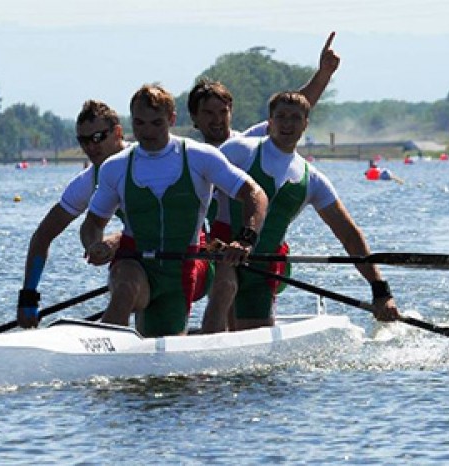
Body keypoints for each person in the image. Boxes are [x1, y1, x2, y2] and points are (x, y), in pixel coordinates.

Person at [80, 84, 269, 337]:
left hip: (182, 269)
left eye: (156, 123)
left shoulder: (200, 157)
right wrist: (94, 245)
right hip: (135, 262)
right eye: (139, 123)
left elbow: (255, 194)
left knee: (166, 359)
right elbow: (92, 223)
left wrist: (246, 239)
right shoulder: (115, 167)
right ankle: (102, 355)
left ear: (171, 119)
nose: (147, 132)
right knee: (124, 286)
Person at [208, 91, 400, 331]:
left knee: (254, 357)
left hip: (263, 267)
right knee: (226, 287)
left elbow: (349, 235)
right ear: (270, 121)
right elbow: (198, 192)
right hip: (221, 253)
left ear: (305, 124)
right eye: (281, 117)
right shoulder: (239, 150)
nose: (287, 124)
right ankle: (207, 345)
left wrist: (380, 290)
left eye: (295, 118)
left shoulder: (313, 180)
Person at [16, 100, 128, 328]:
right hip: (144, 259)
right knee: (122, 272)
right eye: (83, 140)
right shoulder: (88, 181)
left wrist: (116, 241)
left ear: (117, 133)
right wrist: (28, 296)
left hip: (191, 251)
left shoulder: (144, 159)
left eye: (97, 137)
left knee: (124, 271)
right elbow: (43, 236)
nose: (90, 147)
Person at [187, 31, 340, 147]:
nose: (217, 120)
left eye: (222, 112)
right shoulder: (188, 157)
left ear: (231, 111)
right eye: (209, 113)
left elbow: (297, 105)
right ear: (194, 117)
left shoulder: (248, 143)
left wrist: (324, 73)